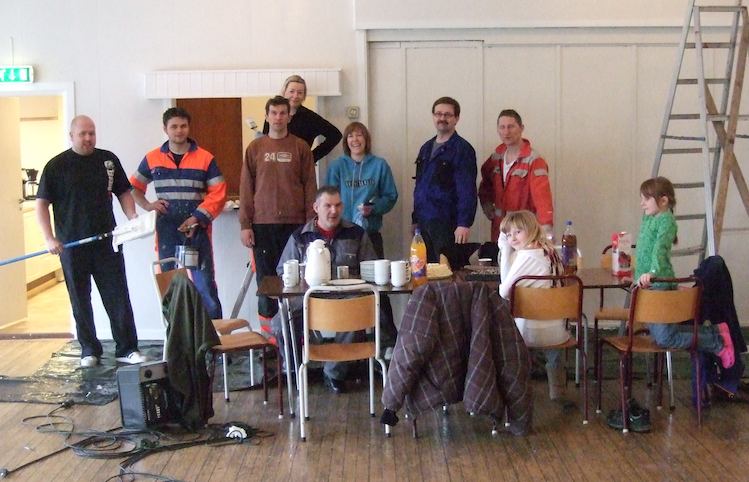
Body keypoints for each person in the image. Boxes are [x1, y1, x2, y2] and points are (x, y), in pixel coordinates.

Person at [36, 115, 146, 368]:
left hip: (107, 242)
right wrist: (49, 238)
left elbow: (123, 192)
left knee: (117, 295)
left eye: (91, 133)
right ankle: (89, 349)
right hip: (71, 246)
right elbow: (41, 204)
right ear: (71, 136)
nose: (88, 138)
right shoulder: (56, 166)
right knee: (80, 299)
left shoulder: (108, 160)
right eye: (83, 134)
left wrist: (132, 217)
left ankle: (127, 348)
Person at [274, 185, 378, 394]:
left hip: (347, 299)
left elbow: (372, 268)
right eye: (328, 206)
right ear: (316, 208)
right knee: (280, 321)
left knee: (359, 315)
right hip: (307, 300)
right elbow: (282, 270)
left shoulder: (357, 234)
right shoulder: (299, 237)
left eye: (338, 205)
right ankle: (297, 370)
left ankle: (334, 373)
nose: (333, 211)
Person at [130, 107, 227, 319]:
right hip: (166, 230)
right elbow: (133, 187)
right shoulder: (152, 158)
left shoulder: (205, 158)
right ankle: (175, 334)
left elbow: (219, 193)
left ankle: (213, 335)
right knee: (169, 285)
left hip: (197, 230)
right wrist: (148, 206)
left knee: (205, 286)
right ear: (165, 129)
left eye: (183, 126)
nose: (179, 131)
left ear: (189, 128)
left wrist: (197, 218)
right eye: (174, 126)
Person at [634, 176, 734, 368]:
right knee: (663, 335)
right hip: (648, 284)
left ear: (663, 200)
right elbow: (644, 248)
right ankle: (715, 332)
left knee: (665, 338)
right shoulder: (650, 218)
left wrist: (652, 272)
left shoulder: (666, 221)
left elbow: (659, 249)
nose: (642, 204)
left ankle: (716, 340)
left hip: (658, 283)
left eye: (646, 199)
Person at [240, 96, 317, 322]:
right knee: (266, 282)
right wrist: (245, 225)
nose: (278, 117)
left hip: (295, 226)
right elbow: (246, 188)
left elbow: (310, 187)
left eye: (283, 113)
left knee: (296, 281)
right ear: (267, 116)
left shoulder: (301, 147)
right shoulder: (255, 148)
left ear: (289, 117)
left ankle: (296, 333)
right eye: (273, 113)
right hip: (262, 226)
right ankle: (270, 339)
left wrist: (310, 225)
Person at [326, 122, 398, 348]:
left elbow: (391, 196)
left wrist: (373, 208)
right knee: (347, 289)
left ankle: (387, 342)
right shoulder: (337, 166)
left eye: (359, 136)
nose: (355, 140)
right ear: (345, 141)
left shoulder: (379, 165)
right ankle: (349, 342)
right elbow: (328, 197)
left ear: (366, 140)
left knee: (378, 287)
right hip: (343, 237)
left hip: (370, 235)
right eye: (350, 136)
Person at [497, 210, 569, 403]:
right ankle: (557, 391)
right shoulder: (549, 250)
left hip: (529, 334)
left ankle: (515, 392)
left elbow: (504, 291)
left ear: (530, 229)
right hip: (559, 332)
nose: (512, 238)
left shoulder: (527, 256)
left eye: (518, 232)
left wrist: (505, 251)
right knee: (548, 319)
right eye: (508, 234)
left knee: (500, 327)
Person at [412, 96, 478, 262]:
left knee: (447, 270)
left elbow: (467, 190)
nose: (442, 118)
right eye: (438, 114)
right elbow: (419, 186)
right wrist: (415, 220)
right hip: (424, 222)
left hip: (447, 223)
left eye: (448, 115)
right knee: (424, 269)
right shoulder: (426, 148)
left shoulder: (463, 149)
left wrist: (463, 224)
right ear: (433, 116)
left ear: (456, 118)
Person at [479, 109, 554, 243]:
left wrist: (546, 230)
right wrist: (487, 206)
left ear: (521, 128)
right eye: (502, 127)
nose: (506, 132)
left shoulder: (534, 161)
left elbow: (543, 199)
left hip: (524, 231)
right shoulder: (496, 158)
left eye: (511, 127)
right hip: (500, 231)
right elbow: (485, 184)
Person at [262, 74, 342, 163]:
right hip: (273, 164)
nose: (295, 96)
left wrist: (311, 157)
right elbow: (265, 140)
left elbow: (335, 135)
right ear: (284, 92)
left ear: (304, 96)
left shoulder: (310, 118)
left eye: (300, 92)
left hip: (299, 167)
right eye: (292, 91)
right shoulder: (273, 114)